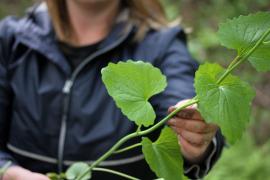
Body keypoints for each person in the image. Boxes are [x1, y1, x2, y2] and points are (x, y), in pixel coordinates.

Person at [0, 0, 224, 179]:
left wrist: (195, 131)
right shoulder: (12, 41)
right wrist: (7, 171)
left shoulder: (162, 46)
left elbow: (181, 96)